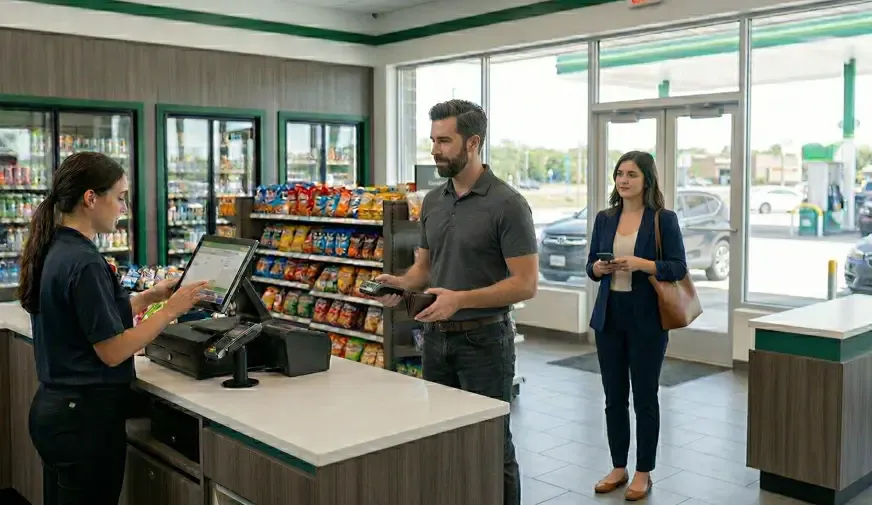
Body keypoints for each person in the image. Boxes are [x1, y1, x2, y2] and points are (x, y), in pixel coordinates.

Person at [18, 152, 207, 505]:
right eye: (119, 197)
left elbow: (89, 315)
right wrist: (169, 311)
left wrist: (149, 296)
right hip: (84, 422)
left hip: (55, 414)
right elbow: (112, 350)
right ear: (91, 198)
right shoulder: (86, 262)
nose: (123, 207)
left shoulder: (55, 247)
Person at [374, 99, 538, 505]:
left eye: (444, 140)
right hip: (435, 339)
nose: (434, 149)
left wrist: (459, 300)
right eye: (432, 140)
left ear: (473, 143)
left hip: (485, 342)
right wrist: (400, 284)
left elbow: (526, 284)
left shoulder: (508, 204)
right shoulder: (432, 201)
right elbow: (424, 270)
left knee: (491, 445)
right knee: (441, 437)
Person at [585, 151, 687, 501]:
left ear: (647, 180)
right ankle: (618, 466)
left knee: (645, 396)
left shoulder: (663, 219)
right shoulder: (605, 218)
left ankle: (644, 471)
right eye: (619, 174)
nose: (623, 180)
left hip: (647, 319)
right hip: (609, 316)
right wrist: (598, 270)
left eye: (632, 174)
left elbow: (678, 267)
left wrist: (643, 263)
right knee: (614, 397)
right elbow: (590, 265)